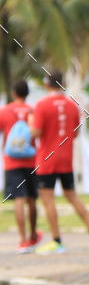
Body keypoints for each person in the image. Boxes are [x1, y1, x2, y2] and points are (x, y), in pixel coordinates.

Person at [28, 72, 89, 254]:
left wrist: (29, 123)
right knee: (72, 196)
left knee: (48, 200)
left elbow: (35, 132)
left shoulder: (41, 105)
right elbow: (74, 134)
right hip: (66, 158)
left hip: (46, 160)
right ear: (63, 84)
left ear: (46, 84)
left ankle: (57, 241)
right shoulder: (72, 105)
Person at [0, 80, 42, 253]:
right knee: (31, 198)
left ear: (14, 93)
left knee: (18, 198)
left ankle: (22, 240)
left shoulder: (5, 111)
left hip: (11, 161)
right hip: (31, 159)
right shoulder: (33, 110)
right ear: (27, 93)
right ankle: (33, 237)